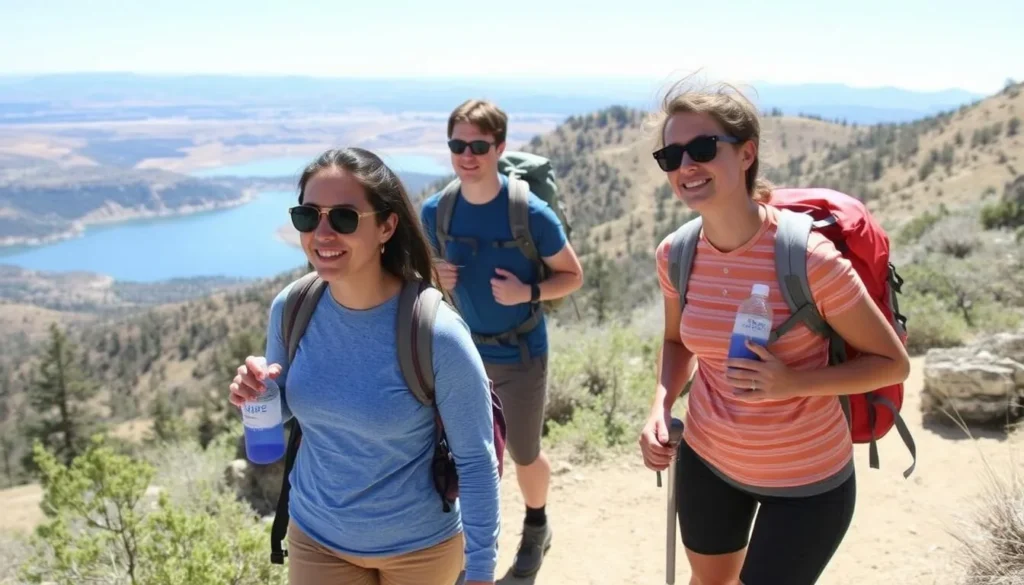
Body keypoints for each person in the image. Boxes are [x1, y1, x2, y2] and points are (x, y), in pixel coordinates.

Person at [637, 81, 911, 585]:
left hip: (807, 481)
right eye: (671, 156)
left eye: (702, 149)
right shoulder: (675, 254)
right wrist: (660, 407)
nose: (686, 167)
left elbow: (892, 364)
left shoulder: (808, 260)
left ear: (747, 154)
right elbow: (677, 342)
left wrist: (792, 383)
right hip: (709, 459)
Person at [228, 147, 501, 585]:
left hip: (420, 551)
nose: (322, 233)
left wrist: (483, 571)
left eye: (344, 218)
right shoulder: (293, 307)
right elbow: (283, 409)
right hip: (315, 537)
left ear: (387, 226)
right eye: (308, 216)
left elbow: (475, 460)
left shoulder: (436, 333)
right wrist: (255, 393)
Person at [419, 99, 584, 578]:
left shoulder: (528, 213)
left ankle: (537, 527)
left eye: (478, 145)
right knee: (463, 457)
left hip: (519, 353)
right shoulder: (436, 212)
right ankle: (464, 552)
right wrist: (434, 278)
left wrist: (526, 291)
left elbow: (572, 276)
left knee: (524, 453)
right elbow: (420, 277)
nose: (467, 155)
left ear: (500, 147)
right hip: (458, 354)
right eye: (457, 145)